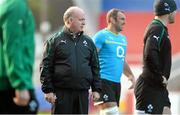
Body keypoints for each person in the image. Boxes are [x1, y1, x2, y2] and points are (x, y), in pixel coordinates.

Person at [40, 6, 101, 114]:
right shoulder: (54, 41)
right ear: (69, 21)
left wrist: (96, 89)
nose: (84, 23)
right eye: (81, 19)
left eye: (84, 20)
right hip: (61, 93)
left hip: (82, 94)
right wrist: (48, 90)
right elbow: (45, 66)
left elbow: (95, 66)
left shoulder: (89, 42)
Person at [134, 0, 177, 114]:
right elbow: (149, 53)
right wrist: (160, 76)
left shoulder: (161, 29)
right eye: (175, 10)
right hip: (150, 85)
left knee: (167, 111)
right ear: (169, 11)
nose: (176, 13)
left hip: (159, 87)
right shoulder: (156, 28)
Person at [92, 8, 135, 115]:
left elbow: (121, 60)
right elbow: (90, 58)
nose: (124, 22)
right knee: (111, 112)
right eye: (121, 19)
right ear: (112, 19)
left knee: (107, 112)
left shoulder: (123, 39)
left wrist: (130, 75)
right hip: (103, 80)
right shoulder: (100, 36)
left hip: (116, 82)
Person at [0, 0, 39, 114]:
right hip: (11, 85)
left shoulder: (10, 4)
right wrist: (20, 84)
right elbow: (13, 47)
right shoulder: (16, 5)